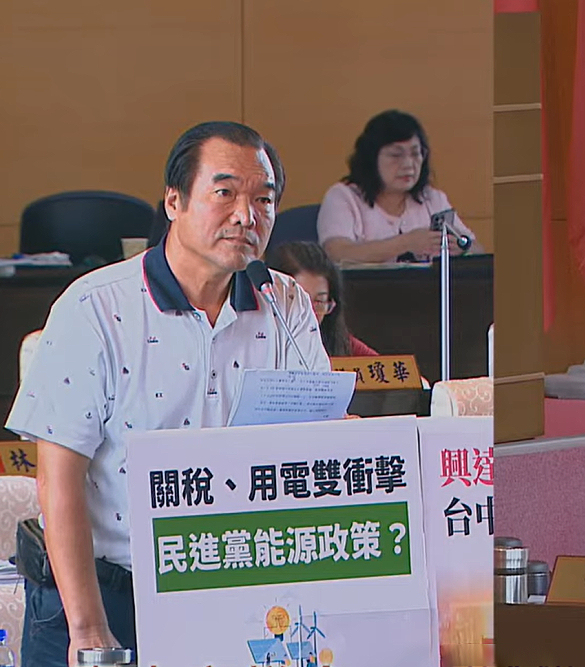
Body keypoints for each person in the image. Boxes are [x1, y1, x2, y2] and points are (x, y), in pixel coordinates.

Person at [5, 121, 330, 666]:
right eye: (225, 193)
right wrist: (89, 627)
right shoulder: (95, 308)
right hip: (105, 593)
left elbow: (315, 444)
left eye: (264, 200)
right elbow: (58, 478)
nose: (246, 216)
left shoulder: (285, 303)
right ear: (174, 201)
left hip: (235, 590)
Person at [316, 109, 484, 264]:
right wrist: (406, 243)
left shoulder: (432, 198)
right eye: (396, 155)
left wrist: (462, 247)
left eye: (416, 153)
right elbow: (336, 253)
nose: (408, 164)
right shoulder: (343, 196)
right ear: (371, 159)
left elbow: (478, 251)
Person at [267, 241, 378, 357]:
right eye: (301, 301)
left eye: (319, 302)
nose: (311, 314)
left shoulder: (343, 345)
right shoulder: (258, 343)